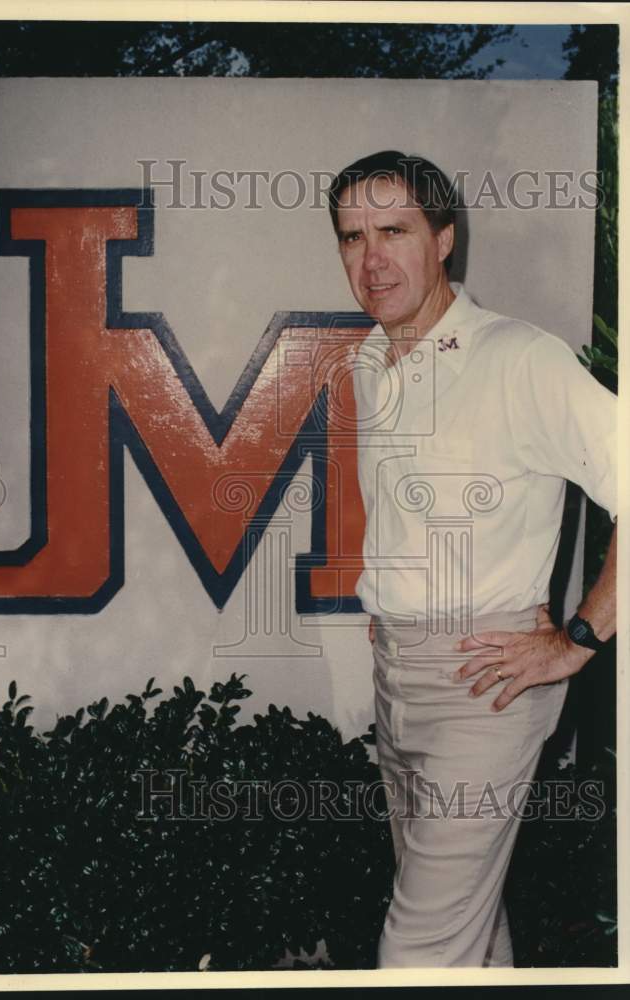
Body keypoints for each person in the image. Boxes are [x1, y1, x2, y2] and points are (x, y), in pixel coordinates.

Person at [328, 150, 617, 967]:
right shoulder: (368, 361)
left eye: (394, 230)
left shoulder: (521, 358)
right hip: (398, 675)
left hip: (486, 683)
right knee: (469, 933)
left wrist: (578, 641)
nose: (371, 258)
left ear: (445, 238)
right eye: (352, 237)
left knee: (418, 950)